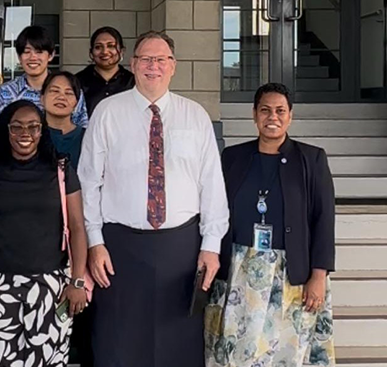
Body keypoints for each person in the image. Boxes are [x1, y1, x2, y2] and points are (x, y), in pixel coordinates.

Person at [79, 31, 229, 367]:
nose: (153, 66)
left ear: (173, 66)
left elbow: (212, 184)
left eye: (161, 59)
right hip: (119, 247)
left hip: (182, 246)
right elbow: (89, 181)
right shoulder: (107, 112)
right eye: (146, 59)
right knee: (118, 342)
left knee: (179, 343)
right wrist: (93, 241)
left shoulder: (196, 116)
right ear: (132, 65)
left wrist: (212, 244)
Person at [205, 83, 336, 367]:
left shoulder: (311, 159)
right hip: (240, 270)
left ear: (290, 115)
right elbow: (216, 209)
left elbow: (323, 219)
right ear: (254, 115)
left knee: (287, 354)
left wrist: (319, 275)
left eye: (280, 110)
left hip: (292, 274)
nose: (272, 117)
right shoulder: (233, 157)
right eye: (265, 110)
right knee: (238, 351)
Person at [0, 100, 89, 367]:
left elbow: (77, 226)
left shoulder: (60, 170)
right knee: (0, 360)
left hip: (51, 284)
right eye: (17, 127)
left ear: (42, 131)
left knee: (47, 359)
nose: (26, 134)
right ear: (6, 130)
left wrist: (77, 281)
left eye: (34, 127)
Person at [0, 25, 88, 129]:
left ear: (51, 55)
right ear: (19, 57)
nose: (33, 57)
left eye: (39, 52)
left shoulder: (70, 90)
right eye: (27, 52)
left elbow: (82, 130)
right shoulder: (5, 92)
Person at [76, 26, 135, 116]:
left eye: (111, 46)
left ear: (122, 51)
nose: (105, 51)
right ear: (91, 53)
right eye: (98, 47)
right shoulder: (77, 81)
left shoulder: (133, 82)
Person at [41, 71, 85, 169]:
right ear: (42, 99)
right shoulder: (32, 135)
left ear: (76, 103)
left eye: (68, 93)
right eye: (55, 91)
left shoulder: (87, 137)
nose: (61, 97)